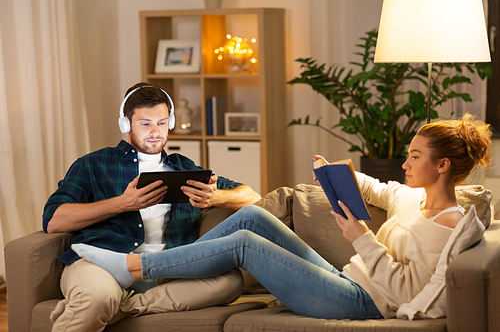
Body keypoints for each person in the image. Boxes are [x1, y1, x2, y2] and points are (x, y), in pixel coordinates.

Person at [72, 114, 491, 320]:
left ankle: (133, 267)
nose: (404, 163)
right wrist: (333, 172)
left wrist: (362, 237)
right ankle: (165, 271)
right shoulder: (409, 198)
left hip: (365, 303)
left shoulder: (449, 226)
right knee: (254, 218)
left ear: (442, 167)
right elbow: (372, 187)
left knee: (244, 245)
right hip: (349, 279)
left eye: (415, 157)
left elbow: (405, 292)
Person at [43, 82, 261, 331]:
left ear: (170, 122)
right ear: (126, 125)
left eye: (161, 122)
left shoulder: (184, 167)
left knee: (230, 281)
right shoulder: (93, 164)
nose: (155, 132)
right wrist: (122, 204)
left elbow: (252, 197)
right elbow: (53, 220)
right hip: (102, 262)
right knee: (97, 298)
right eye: (145, 123)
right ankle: (105, 303)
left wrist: (217, 198)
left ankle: (123, 308)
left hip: (165, 271)